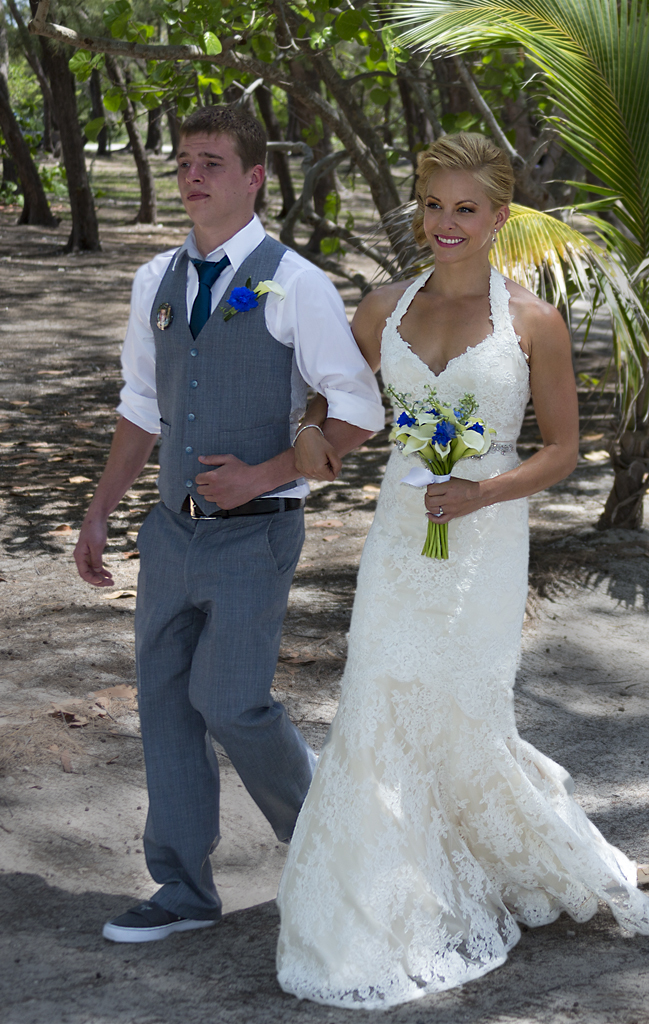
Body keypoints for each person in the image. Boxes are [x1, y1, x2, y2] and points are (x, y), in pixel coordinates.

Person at [276, 132, 649, 1009]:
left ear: (498, 217)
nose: (445, 224)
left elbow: (563, 452)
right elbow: (329, 390)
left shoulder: (533, 320)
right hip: (398, 535)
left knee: (463, 702)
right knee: (377, 691)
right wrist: (309, 428)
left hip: (485, 541)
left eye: (464, 209)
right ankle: (371, 900)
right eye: (431, 206)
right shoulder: (381, 306)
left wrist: (483, 491)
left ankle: (495, 853)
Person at [73, 105, 384, 943]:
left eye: (210, 161)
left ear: (253, 179)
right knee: (166, 703)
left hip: (258, 534)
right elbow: (142, 408)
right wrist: (100, 511)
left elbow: (358, 410)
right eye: (181, 162)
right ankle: (181, 889)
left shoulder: (299, 283)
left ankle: (326, 845)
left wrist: (267, 473)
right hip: (170, 535)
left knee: (231, 702)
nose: (191, 176)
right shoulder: (153, 283)